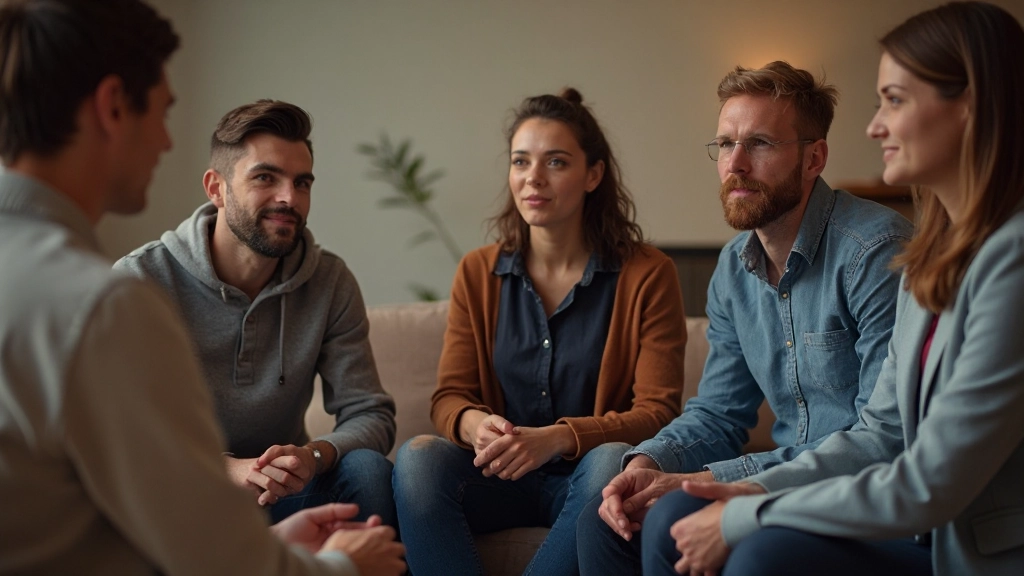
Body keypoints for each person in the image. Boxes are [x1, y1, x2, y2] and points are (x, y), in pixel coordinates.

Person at [0, 1, 404, 574]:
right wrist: (340, 567)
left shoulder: (43, 280)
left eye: (302, 181)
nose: (168, 142)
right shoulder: (111, 300)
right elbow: (201, 546)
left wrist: (308, 467)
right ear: (114, 107)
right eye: (164, 113)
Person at [643, 2, 1024, 575]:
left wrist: (747, 506)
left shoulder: (1003, 260)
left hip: (968, 548)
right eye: (724, 144)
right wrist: (678, 470)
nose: (875, 127)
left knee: (763, 552)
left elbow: (925, 476)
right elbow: (886, 429)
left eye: (894, 101)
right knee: (662, 514)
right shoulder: (933, 257)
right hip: (907, 517)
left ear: (972, 107)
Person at [578, 61, 913, 574]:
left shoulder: (874, 251)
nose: (734, 164)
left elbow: (881, 438)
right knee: (605, 518)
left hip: (860, 496)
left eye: (759, 144)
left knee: (679, 511)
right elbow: (719, 414)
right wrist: (652, 461)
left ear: (813, 158)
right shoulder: (734, 271)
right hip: (777, 487)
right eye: (724, 144)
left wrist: (719, 479)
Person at [392, 88, 688, 576]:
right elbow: (450, 396)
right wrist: (474, 424)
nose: (533, 178)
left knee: (613, 459)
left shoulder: (647, 274)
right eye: (520, 161)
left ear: (593, 174)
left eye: (555, 162)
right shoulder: (477, 272)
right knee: (418, 458)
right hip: (497, 478)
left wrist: (556, 439)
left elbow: (657, 412)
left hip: (586, 477)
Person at [114, 99, 397, 526]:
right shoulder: (142, 279)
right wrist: (227, 468)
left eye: (302, 183)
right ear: (216, 188)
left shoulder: (329, 281)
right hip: (180, 493)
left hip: (285, 494)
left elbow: (371, 414)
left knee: (368, 472)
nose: (289, 198)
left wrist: (312, 456)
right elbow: (117, 427)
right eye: (266, 177)